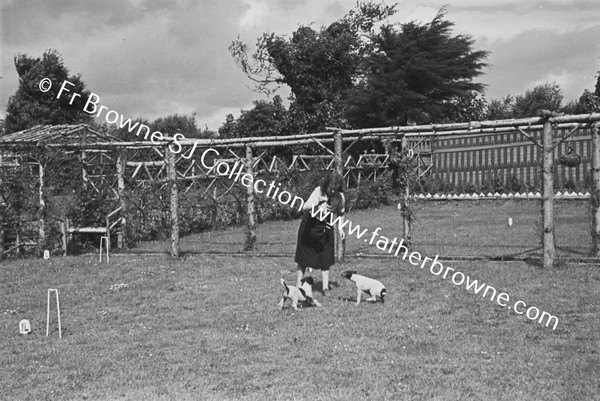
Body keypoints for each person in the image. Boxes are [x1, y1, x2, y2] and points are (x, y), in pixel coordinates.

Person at [294, 170, 346, 294]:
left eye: (335, 189)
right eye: (330, 188)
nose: (332, 191)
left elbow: (341, 213)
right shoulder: (318, 191)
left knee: (325, 256)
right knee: (303, 257)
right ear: (326, 185)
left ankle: (325, 287)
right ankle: (298, 286)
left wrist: (340, 228)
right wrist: (317, 203)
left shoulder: (340, 197)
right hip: (310, 224)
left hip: (326, 226)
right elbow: (304, 207)